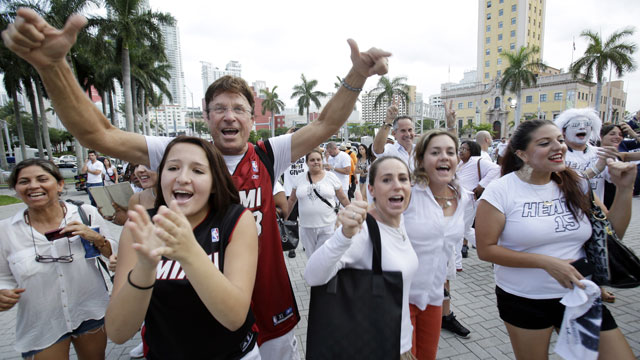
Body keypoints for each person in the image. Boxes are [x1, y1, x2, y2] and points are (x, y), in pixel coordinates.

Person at [2, 9, 392, 357]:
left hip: (266, 294)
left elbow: (326, 124)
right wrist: (53, 67)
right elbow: (99, 135)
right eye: (219, 108)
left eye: (239, 108)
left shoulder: (269, 153)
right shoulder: (181, 154)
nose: (229, 115)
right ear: (206, 118)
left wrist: (358, 74)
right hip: (194, 302)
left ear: (251, 120)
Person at [475, 119, 636, 359]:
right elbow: (486, 250)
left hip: (580, 295)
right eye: (545, 143)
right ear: (522, 154)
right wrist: (545, 262)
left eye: (560, 140)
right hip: (525, 299)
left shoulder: (577, 183)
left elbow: (611, 234)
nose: (558, 146)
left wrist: (625, 190)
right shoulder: (501, 190)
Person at [106, 136, 260, 359]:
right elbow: (118, 332)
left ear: (215, 183)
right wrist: (145, 267)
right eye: (173, 168)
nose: (182, 178)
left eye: (198, 171)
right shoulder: (140, 229)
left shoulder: (236, 220)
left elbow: (234, 317)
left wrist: (189, 253)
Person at [0, 159, 116, 359]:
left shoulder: (85, 214)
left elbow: (115, 256)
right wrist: (3, 292)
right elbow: (3, 275)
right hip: (41, 322)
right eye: (24, 181)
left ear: (60, 184)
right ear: (16, 189)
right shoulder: (6, 230)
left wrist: (96, 237)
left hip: (89, 311)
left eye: (42, 179)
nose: (34, 186)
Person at [304, 156, 418, 359]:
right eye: (386, 180)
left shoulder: (401, 223)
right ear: (371, 189)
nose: (397, 186)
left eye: (403, 179)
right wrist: (343, 235)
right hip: (375, 347)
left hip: (401, 342)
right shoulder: (362, 232)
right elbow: (312, 276)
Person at [403, 130, 470, 359]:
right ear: (421, 160)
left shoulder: (463, 198)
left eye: (450, 152)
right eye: (435, 152)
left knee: (427, 356)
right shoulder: (407, 194)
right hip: (398, 298)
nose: (444, 157)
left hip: (433, 297)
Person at [286, 148, 350, 258]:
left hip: (328, 227)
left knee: (324, 258)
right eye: (312, 160)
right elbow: (291, 200)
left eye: (318, 159)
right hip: (306, 227)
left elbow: (343, 198)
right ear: (307, 163)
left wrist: (353, 213)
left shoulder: (331, 177)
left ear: (322, 161)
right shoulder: (299, 178)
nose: (316, 162)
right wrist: (284, 218)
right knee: (311, 258)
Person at [554, 108, 618, 202]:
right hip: (566, 212)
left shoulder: (602, 153)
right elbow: (560, 184)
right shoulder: (556, 155)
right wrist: (596, 169)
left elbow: (619, 181)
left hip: (595, 213)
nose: (582, 128)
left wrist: (620, 169)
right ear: (563, 131)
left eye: (587, 124)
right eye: (575, 125)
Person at [456, 140, 500, 256]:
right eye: (460, 149)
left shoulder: (477, 161)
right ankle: (492, 250)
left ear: (472, 151)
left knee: (461, 230)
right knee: (464, 230)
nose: (461, 151)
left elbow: (496, 169)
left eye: (464, 149)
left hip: (469, 200)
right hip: (459, 200)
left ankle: (492, 250)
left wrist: (481, 185)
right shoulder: (460, 164)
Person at [373, 105, 416, 170]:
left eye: (410, 130)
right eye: (403, 131)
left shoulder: (420, 150)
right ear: (394, 133)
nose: (408, 134)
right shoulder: (391, 150)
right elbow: (377, 149)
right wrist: (388, 120)